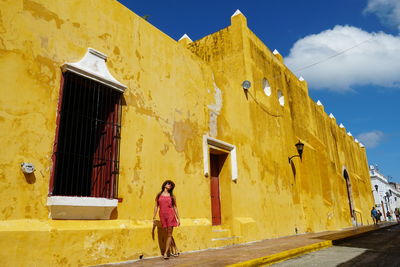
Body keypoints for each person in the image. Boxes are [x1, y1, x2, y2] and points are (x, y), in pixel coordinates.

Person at [153, 180, 180, 260]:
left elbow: (175, 207)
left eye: (171, 185)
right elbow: (156, 206)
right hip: (162, 216)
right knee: (168, 234)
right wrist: (154, 216)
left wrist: (178, 218)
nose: (169, 185)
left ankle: (166, 252)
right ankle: (175, 248)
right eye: (168, 183)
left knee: (169, 234)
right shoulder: (159, 195)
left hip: (170, 216)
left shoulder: (172, 196)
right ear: (164, 184)